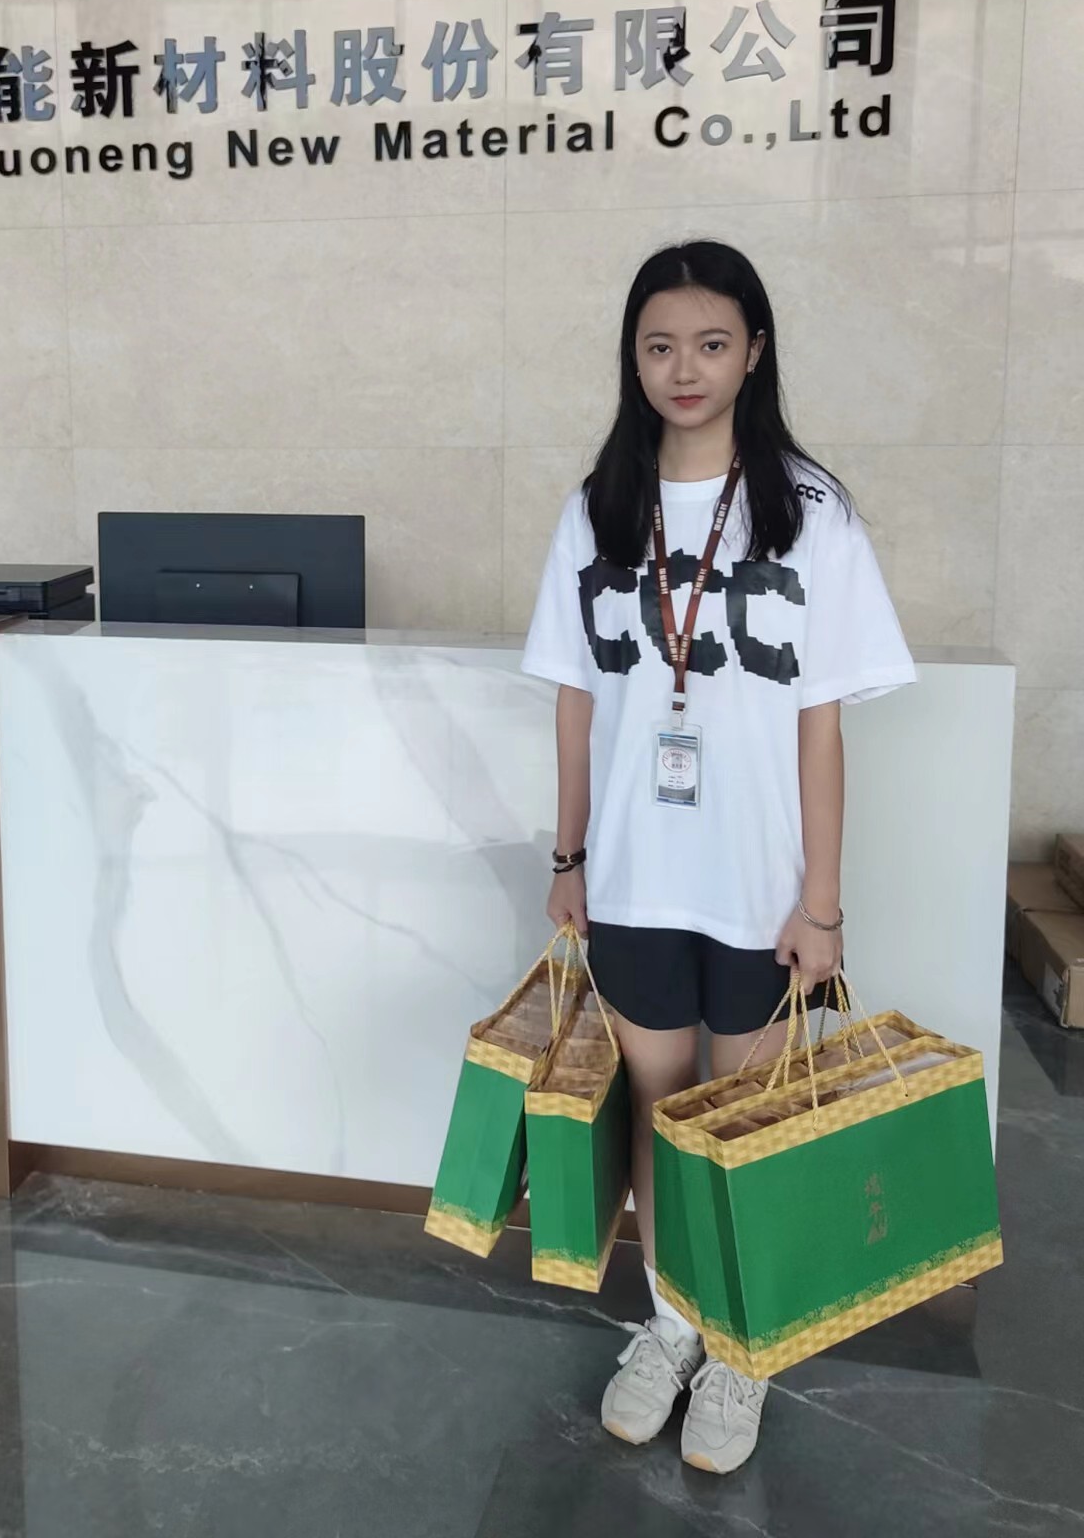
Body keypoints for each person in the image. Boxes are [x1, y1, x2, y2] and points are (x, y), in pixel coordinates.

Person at [521, 239, 915, 1475]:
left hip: (759, 886)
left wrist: (822, 904)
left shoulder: (810, 512)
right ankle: (672, 1321)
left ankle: (741, 1347)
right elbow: (577, 702)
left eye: (708, 343)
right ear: (631, 360)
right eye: (658, 346)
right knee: (659, 1110)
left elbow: (821, 725)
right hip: (636, 877)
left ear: (754, 352)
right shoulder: (597, 508)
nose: (682, 368)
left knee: (739, 1119)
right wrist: (571, 857)